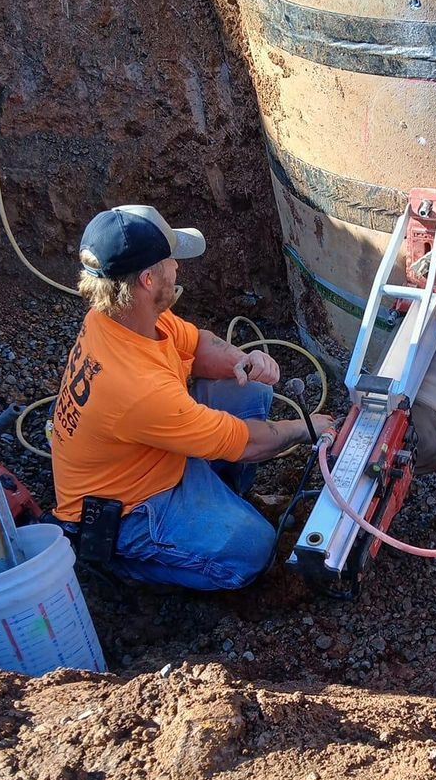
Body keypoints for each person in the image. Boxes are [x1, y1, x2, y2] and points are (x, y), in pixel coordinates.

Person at [49, 204, 333, 589]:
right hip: (128, 509)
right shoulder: (138, 389)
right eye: (171, 261)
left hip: (148, 454)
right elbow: (247, 443)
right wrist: (307, 429)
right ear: (148, 279)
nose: (177, 268)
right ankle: (122, 562)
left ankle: (224, 494)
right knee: (253, 551)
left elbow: (196, 344)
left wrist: (244, 360)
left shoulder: (118, 314)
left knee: (250, 385)